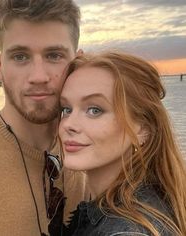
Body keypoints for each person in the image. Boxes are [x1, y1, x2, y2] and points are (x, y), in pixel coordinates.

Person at [0, 0, 87, 235]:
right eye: (20, 57)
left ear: (78, 63)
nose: (38, 76)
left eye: (54, 55)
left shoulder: (93, 154)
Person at [59, 51, 186, 235]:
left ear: (143, 129)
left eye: (95, 110)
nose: (68, 124)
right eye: (66, 109)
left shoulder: (125, 231)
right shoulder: (152, 199)